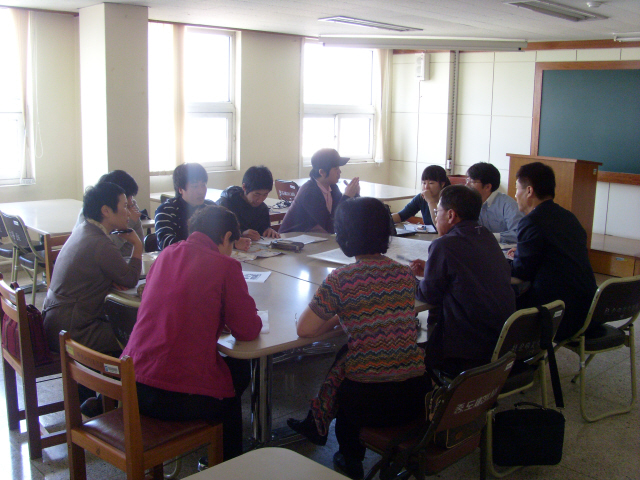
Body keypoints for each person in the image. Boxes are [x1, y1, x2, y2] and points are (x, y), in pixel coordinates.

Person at [288, 197, 428, 479]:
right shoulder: (404, 275)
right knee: (350, 356)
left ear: (344, 235)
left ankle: (349, 457)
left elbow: (305, 329)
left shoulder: (342, 279)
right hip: (415, 395)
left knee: (349, 369)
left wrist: (339, 316)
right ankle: (316, 424)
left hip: (369, 402)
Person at [122, 205, 262, 460]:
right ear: (226, 237)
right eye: (232, 243)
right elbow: (248, 331)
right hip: (174, 394)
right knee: (239, 375)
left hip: (132, 384)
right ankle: (228, 462)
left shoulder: (165, 255)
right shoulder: (225, 266)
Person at [410, 185, 515, 376]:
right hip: (500, 341)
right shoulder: (487, 236)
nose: (436, 217)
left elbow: (428, 295)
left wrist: (410, 279)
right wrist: (432, 270)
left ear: (451, 215)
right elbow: (467, 273)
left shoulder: (444, 245)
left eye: (437, 212)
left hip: (467, 349)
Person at [43, 182, 142, 354]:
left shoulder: (84, 229)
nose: (128, 212)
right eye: (125, 206)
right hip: (76, 331)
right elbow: (131, 279)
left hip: (55, 322)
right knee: (142, 336)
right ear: (106, 211)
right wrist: (137, 245)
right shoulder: (100, 243)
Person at [509, 162, 597, 342]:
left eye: (517, 188)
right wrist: (524, 250)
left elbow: (521, 273)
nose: (515, 194)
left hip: (559, 314)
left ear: (529, 191)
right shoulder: (568, 216)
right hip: (589, 309)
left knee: (498, 297)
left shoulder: (531, 221)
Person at [155, 162, 250, 251]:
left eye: (203, 185)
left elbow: (226, 232)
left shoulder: (210, 207)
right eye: (195, 186)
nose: (201, 191)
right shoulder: (166, 210)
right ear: (180, 189)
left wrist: (234, 241)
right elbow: (166, 244)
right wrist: (206, 246)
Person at [279, 148, 360, 234]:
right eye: (336, 168)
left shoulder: (333, 188)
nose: (340, 171)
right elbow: (331, 226)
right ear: (322, 172)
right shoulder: (309, 192)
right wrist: (347, 197)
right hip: (292, 238)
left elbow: (345, 217)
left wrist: (355, 195)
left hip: (315, 236)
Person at [74, 169, 144, 257]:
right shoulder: (89, 214)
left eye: (132, 196)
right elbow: (104, 250)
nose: (131, 201)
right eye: (127, 196)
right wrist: (129, 223)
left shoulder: (132, 206)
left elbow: (139, 245)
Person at [216, 165, 280, 240]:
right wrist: (241, 234)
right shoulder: (226, 205)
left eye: (265, 194)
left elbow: (263, 230)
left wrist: (268, 230)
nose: (260, 200)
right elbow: (218, 235)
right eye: (256, 194)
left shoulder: (263, 208)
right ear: (244, 187)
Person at [466, 162, 523, 244]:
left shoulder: (508, 204)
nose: (467, 185)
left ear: (487, 187)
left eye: (472, 181)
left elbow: (519, 233)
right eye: (467, 180)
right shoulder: (468, 203)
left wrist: (488, 237)